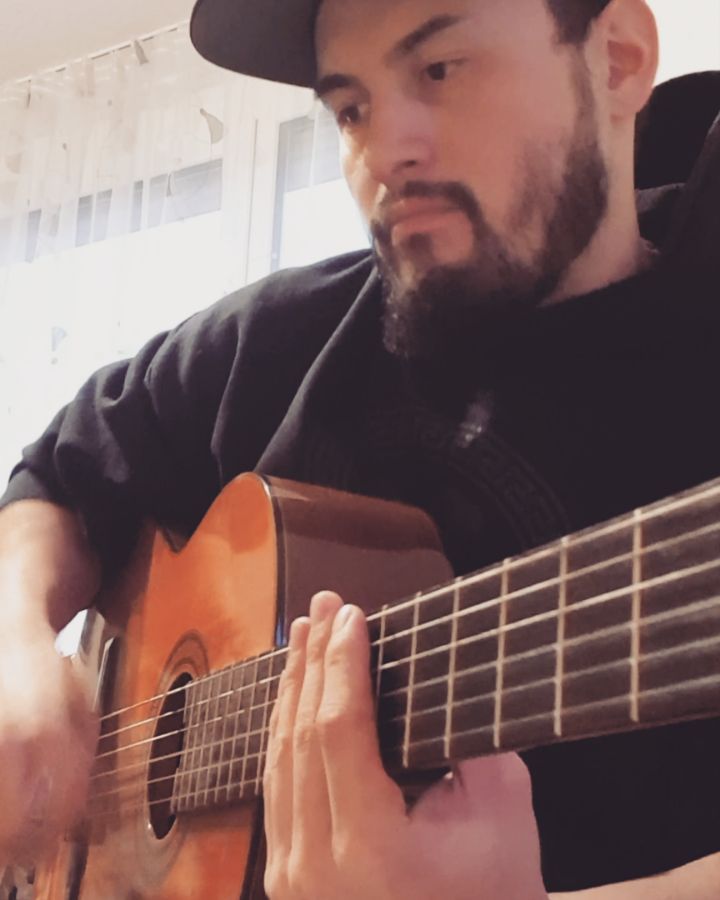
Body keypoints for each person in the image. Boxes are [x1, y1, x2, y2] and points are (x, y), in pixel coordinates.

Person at [0, 0, 719, 895]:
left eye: (439, 70)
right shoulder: (284, 333)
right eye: (351, 109)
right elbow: (59, 472)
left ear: (617, 59)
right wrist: (16, 640)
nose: (382, 153)